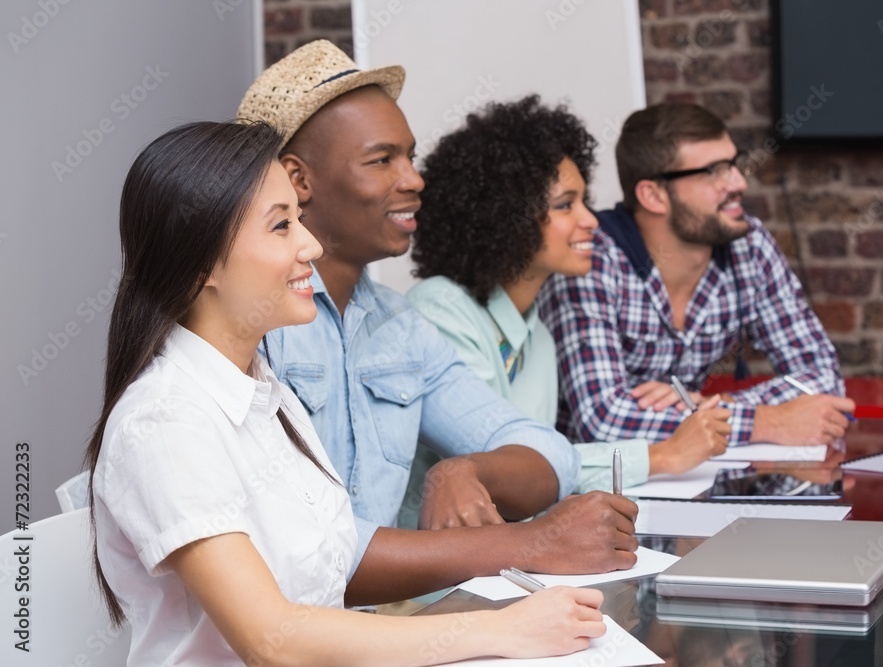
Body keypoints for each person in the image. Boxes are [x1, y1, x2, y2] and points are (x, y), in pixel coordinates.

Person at [87, 120, 607, 665]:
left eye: (298, 219)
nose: (309, 244)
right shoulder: (165, 422)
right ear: (200, 266)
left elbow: (333, 571)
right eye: (281, 226)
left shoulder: (265, 394)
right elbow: (275, 642)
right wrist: (501, 631)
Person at [237, 40, 638, 603]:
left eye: (410, 156)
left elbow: (549, 452)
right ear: (298, 182)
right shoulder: (249, 329)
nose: (414, 179)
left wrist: (463, 470)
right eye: (382, 160)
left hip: (370, 634)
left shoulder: (399, 326)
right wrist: (530, 545)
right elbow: (306, 552)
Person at [407, 95, 731, 492]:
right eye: (565, 205)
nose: (591, 220)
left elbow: (545, 464)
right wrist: (664, 455)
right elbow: (503, 461)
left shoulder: (538, 337)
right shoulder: (442, 309)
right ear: (506, 218)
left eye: (584, 202)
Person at [538, 103, 855, 448]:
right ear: (654, 195)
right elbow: (605, 422)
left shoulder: (748, 245)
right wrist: (765, 421)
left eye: (734, 163)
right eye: (714, 171)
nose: (739, 182)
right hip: (599, 488)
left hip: (697, 477)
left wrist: (717, 407)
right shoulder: (589, 258)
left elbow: (823, 379)